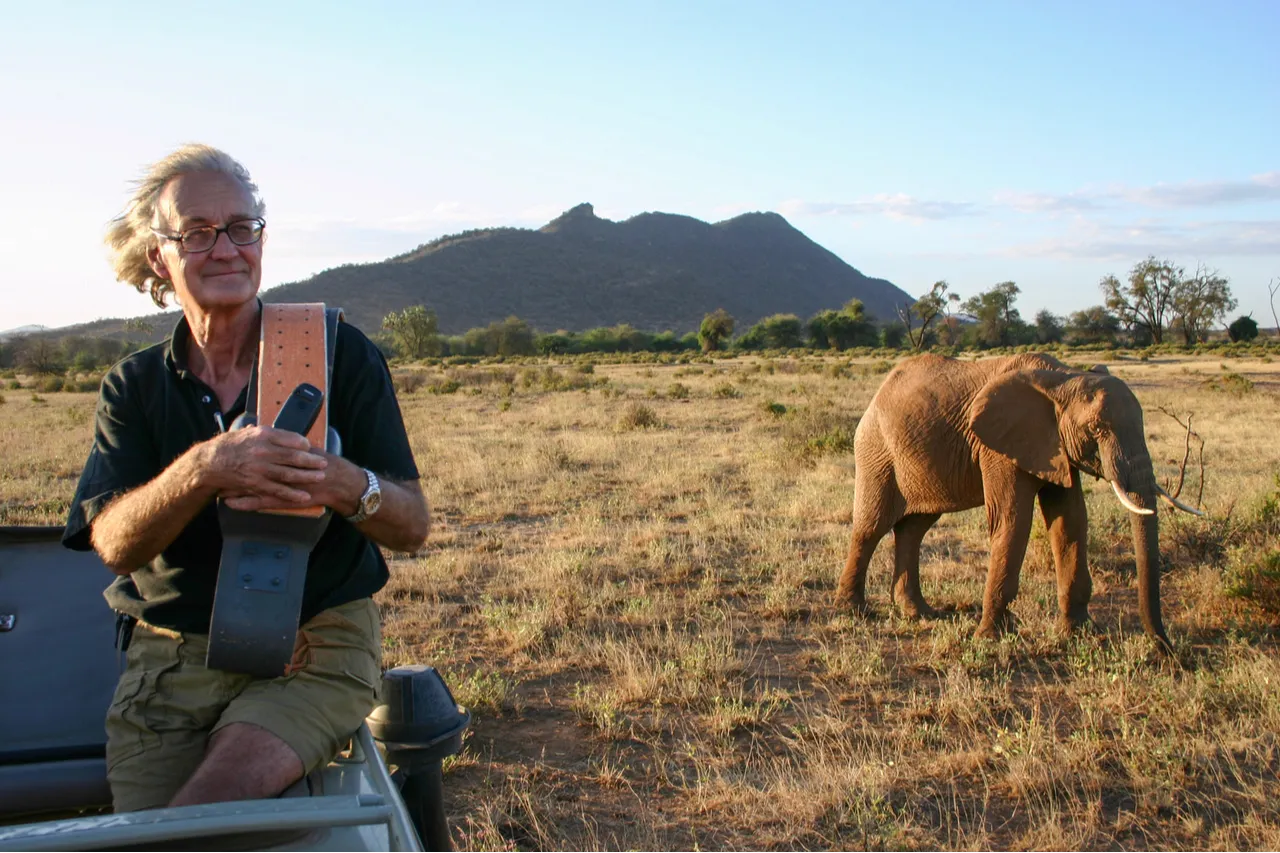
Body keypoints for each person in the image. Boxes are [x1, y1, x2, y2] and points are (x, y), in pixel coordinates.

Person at [62, 144, 430, 812]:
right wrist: (205, 468)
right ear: (158, 256)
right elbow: (114, 544)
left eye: (241, 227)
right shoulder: (135, 385)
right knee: (141, 829)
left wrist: (341, 483)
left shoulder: (336, 352)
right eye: (197, 233)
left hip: (315, 646)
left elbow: (412, 524)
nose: (226, 248)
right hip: (173, 663)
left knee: (197, 819)